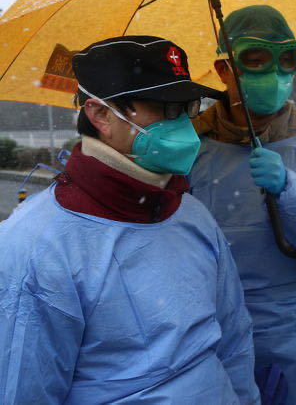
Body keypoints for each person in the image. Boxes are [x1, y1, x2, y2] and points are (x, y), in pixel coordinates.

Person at [0, 36, 260, 404]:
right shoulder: (36, 245)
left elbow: (234, 339)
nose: (183, 126)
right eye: (164, 108)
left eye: (187, 108)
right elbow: (23, 391)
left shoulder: (191, 213)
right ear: (100, 115)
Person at [189, 5, 296, 404]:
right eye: (255, 61)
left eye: (286, 61)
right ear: (223, 70)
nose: (273, 75)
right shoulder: (190, 147)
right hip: (214, 334)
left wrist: (290, 189)